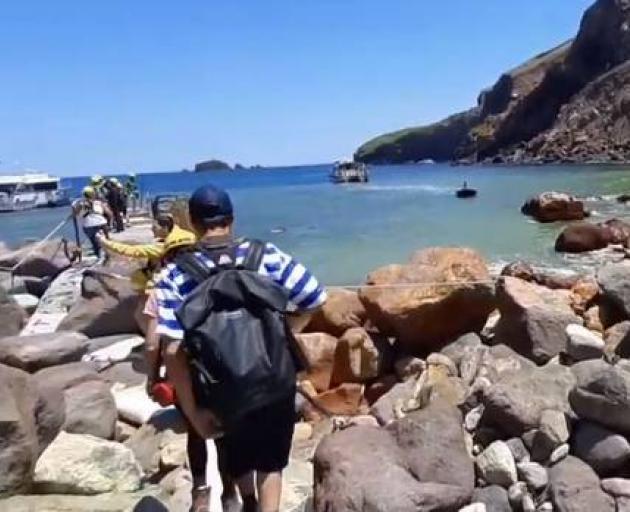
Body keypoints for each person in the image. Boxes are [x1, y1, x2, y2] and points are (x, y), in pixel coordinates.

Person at [154, 185, 326, 512]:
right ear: (232, 218)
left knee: (235, 451)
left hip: (221, 385)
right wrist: (285, 332)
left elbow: (173, 350)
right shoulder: (265, 255)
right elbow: (314, 296)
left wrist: (193, 412)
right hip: (273, 377)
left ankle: (247, 502)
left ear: (192, 222)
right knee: (271, 464)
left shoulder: (175, 274)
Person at [72, 186, 112, 258]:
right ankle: (109, 254)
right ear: (93, 194)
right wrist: (109, 224)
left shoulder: (81, 203)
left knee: (94, 243)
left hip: (89, 225)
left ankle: (98, 254)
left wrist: (73, 213)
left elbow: (75, 214)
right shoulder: (99, 203)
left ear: (84, 194)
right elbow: (109, 214)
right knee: (107, 240)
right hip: (102, 223)